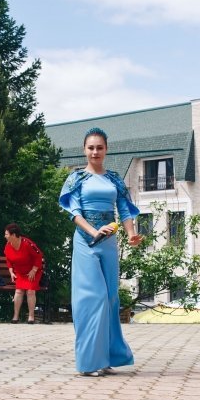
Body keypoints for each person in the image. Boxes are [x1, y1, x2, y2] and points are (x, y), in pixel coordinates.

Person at [59, 127, 142, 377]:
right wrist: (94, 231)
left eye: (100, 147)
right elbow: (74, 213)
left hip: (108, 242)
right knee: (91, 298)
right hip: (86, 241)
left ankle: (105, 357)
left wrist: (130, 234)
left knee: (110, 299)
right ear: (84, 150)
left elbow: (124, 210)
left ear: (106, 149)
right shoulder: (76, 178)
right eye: (91, 147)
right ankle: (89, 362)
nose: (95, 152)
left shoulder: (114, 178)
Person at [3, 223, 44, 324]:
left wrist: (34, 270)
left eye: (6, 234)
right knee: (19, 291)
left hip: (33, 272)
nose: (5, 236)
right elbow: (8, 260)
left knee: (30, 291)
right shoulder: (8, 245)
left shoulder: (27, 243)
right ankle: (15, 316)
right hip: (20, 273)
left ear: (13, 235)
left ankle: (31, 316)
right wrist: (11, 272)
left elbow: (39, 256)